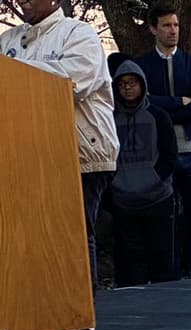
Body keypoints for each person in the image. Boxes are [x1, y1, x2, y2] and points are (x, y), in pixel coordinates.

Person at [1, 0, 119, 285]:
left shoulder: (79, 34)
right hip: (26, 154)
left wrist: (15, 70)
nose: (22, 1)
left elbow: (72, 82)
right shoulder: (8, 40)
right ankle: (41, 305)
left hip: (83, 152)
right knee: (29, 232)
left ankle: (79, 307)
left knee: (73, 230)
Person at [137, 1, 191, 278]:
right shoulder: (142, 66)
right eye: (167, 25)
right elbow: (144, 104)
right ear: (153, 29)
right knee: (166, 222)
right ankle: (170, 278)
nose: (173, 30)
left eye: (176, 25)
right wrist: (179, 101)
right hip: (161, 154)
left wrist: (165, 109)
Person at [109, 59, 176, 286]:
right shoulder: (109, 119)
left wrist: (155, 179)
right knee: (130, 259)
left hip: (157, 197)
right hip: (123, 199)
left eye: (133, 82)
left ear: (143, 85)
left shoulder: (158, 115)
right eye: (122, 84)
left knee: (161, 256)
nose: (127, 88)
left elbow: (169, 154)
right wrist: (115, 185)